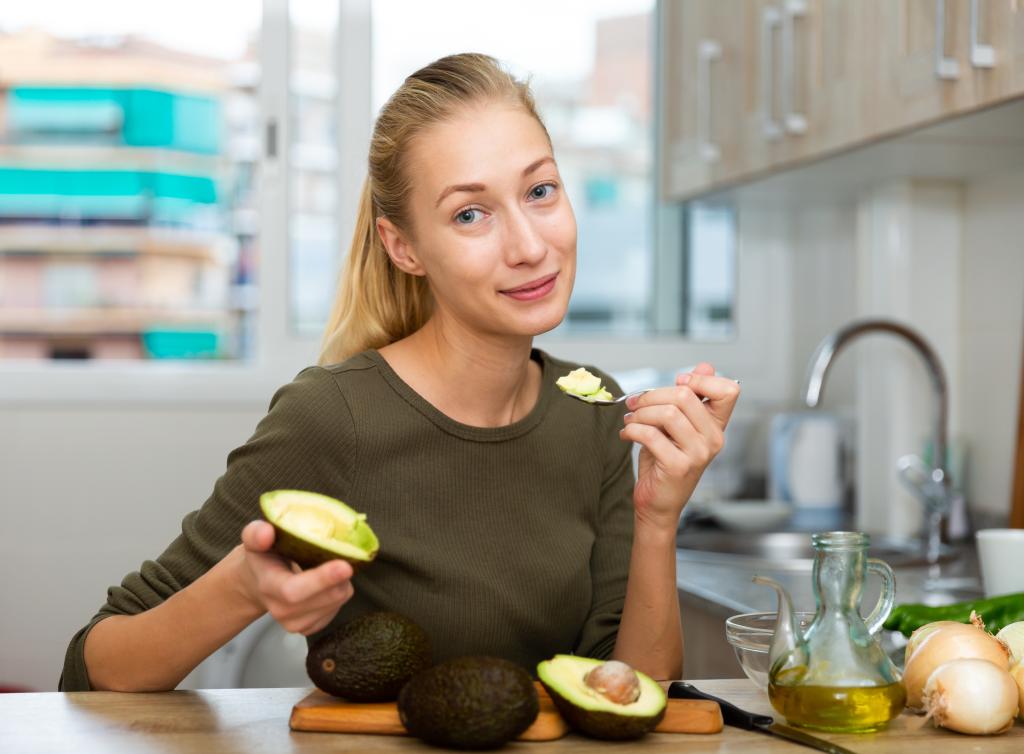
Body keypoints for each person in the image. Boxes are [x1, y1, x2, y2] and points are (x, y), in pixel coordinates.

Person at [59, 53, 740, 693]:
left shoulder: (590, 410)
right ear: (403, 246)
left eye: (540, 190)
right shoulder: (332, 415)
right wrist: (242, 587)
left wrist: (659, 518)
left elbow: (629, 691)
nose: (531, 246)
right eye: (470, 214)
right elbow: (92, 668)